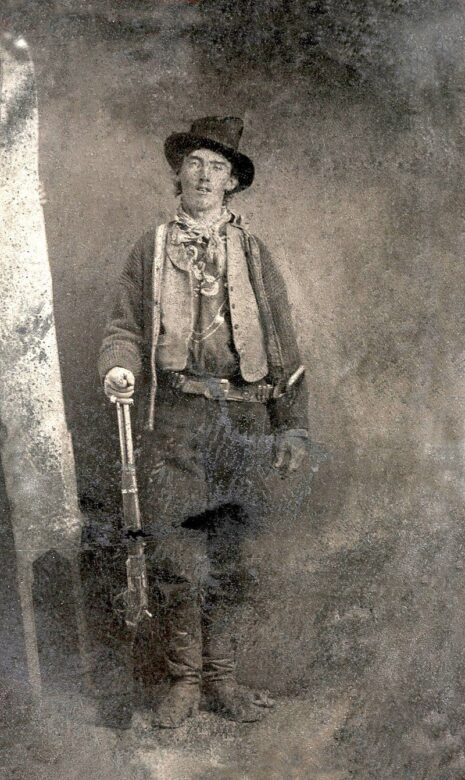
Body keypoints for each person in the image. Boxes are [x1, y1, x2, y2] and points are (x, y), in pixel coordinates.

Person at [98, 116, 310, 727]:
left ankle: (223, 679)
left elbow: (283, 343)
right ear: (179, 173)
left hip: (244, 420)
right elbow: (123, 326)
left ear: (232, 183)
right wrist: (119, 366)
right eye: (194, 163)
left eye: (218, 167)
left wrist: (291, 424)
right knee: (177, 553)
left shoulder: (254, 253)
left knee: (233, 552)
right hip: (178, 418)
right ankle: (185, 681)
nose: (204, 176)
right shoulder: (151, 248)